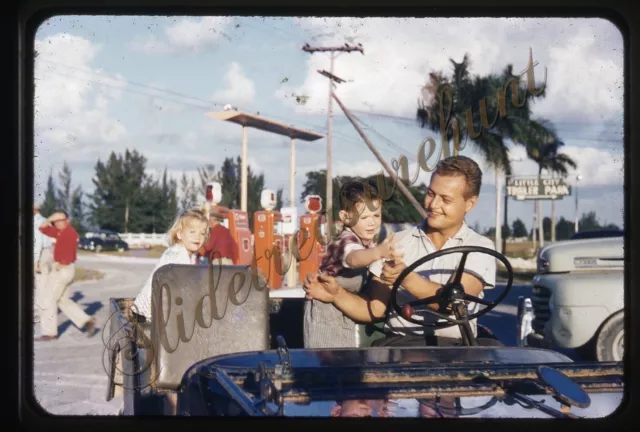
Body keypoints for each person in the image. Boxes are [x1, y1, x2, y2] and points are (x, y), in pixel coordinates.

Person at [303, 155, 497, 347]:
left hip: (456, 349)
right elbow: (374, 309)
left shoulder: (480, 247)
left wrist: (404, 277)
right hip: (400, 346)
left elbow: (452, 302)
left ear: (469, 204)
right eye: (430, 194)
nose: (433, 205)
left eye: (445, 199)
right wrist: (336, 294)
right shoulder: (396, 242)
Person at [303, 181, 397, 348]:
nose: (372, 223)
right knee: (328, 360)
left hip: (343, 307)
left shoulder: (367, 242)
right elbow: (354, 258)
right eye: (364, 217)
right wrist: (379, 252)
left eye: (376, 216)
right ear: (345, 217)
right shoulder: (347, 240)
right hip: (326, 314)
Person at [133, 206, 210, 320]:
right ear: (179, 234)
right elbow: (184, 286)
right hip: (149, 312)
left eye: (202, 233)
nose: (197, 236)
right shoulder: (177, 254)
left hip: (162, 306)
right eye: (192, 231)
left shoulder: (190, 255)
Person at [36, 210, 97, 341]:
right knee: (62, 300)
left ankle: (50, 333)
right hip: (64, 269)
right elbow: (42, 228)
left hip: (63, 270)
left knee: (49, 299)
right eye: (56, 222)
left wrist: (62, 264)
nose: (58, 223)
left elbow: (69, 253)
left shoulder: (70, 233)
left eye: (60, 221)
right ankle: (86, 321)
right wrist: (51, 218)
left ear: (67, 221)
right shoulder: (60, 231)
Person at [33, 200, 53, 324]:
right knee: (45, 284)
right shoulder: (45, 220)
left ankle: (41, 314)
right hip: (49, 253)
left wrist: (35, 261)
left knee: (41, 285)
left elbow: (38, 242)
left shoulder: (36, 222)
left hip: (41, 254)